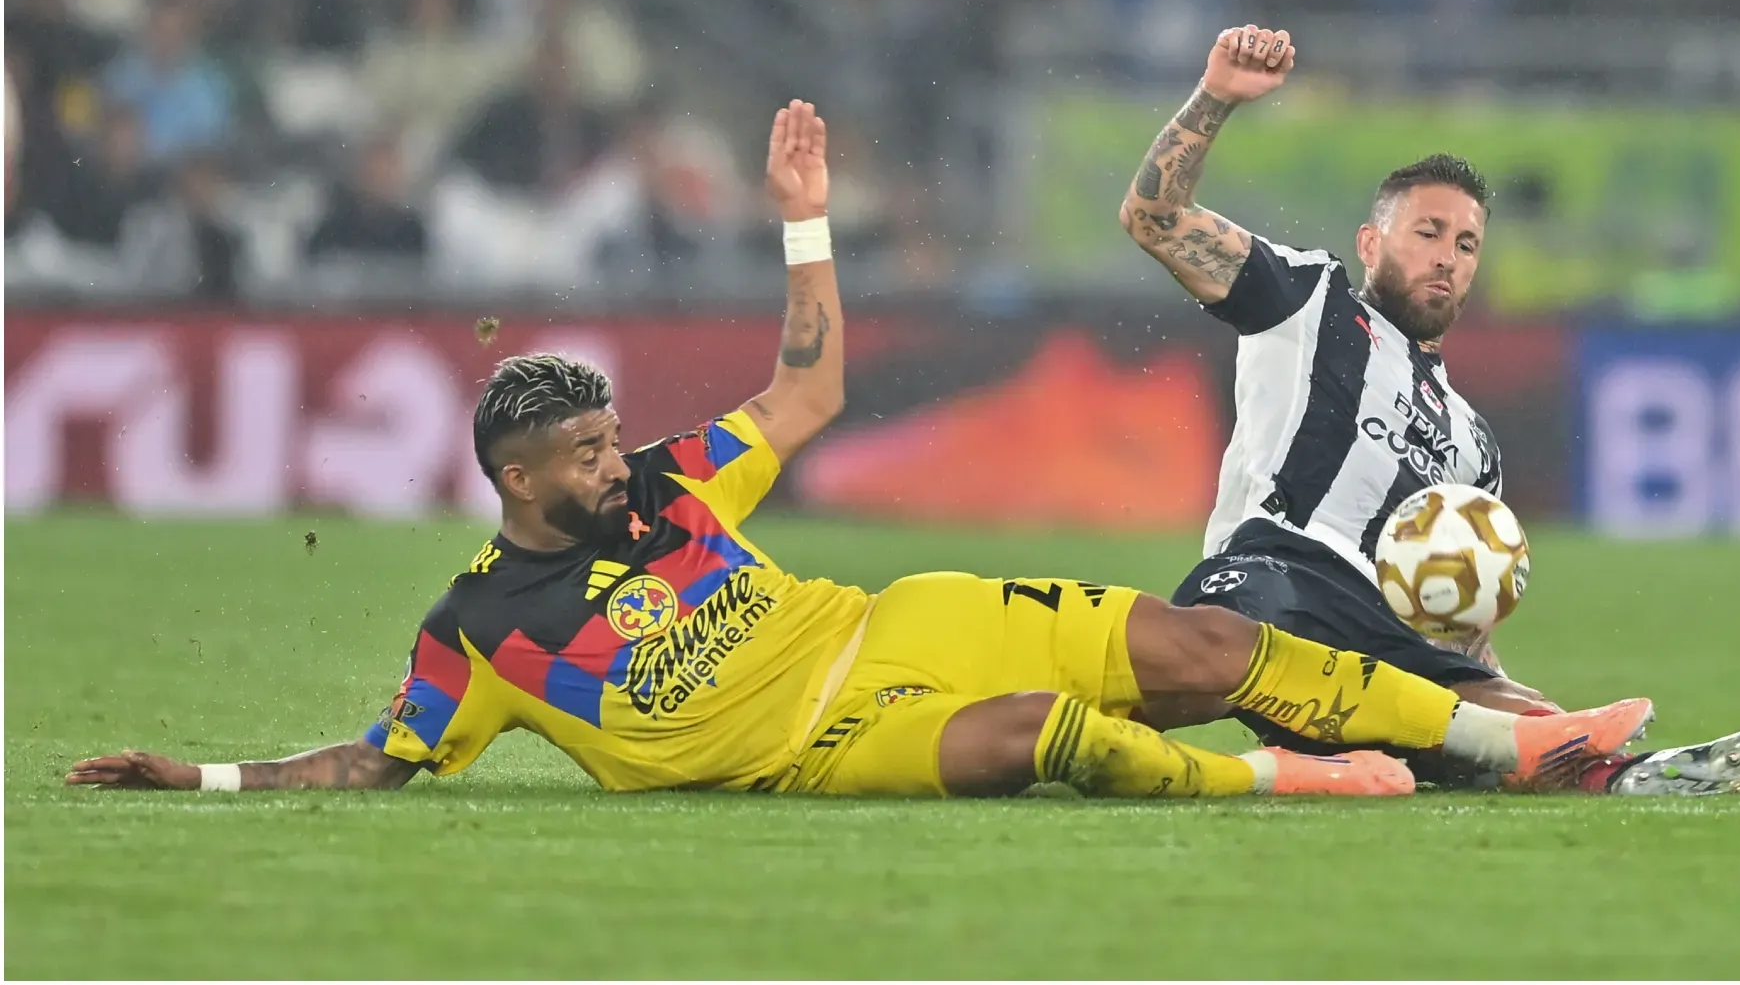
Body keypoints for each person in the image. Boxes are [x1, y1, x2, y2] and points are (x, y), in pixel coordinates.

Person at [71, 100, 1655, 800]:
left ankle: (1512, 746)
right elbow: (371, 758)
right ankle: (1306, 786)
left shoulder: (682, 482)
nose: (616, 462)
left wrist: (805, 217)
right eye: (586, 453)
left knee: (1195, 636)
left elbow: (808, 392)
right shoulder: (472, 637)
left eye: (615, 436)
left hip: (883, 619)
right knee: (1053, 744)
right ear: (517, 480)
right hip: (808, 749)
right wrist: (199, 774)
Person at [1118, 26, 1740, 797]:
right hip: (1270, 577)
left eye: (1469, 243)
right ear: (1371, 243)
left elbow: (1462, 625)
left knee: (1512, 722)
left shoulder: (1473, 445)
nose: (1449, 255)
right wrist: (1216, 97)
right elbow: (1154, 217)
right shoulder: (1308, 300)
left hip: (1376, 645)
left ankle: (1626, 777)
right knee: (1148, 698)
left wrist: (1497, 685)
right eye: (1429, 232)